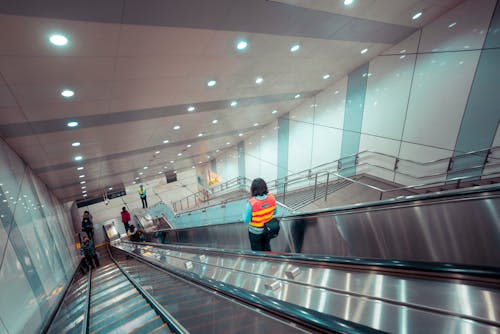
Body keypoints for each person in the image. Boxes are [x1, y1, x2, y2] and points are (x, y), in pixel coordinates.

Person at [243, 178, 276, 251]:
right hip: (267, 229)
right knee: (266, 246)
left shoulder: (251, 203)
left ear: (253, 189)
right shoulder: (272, 198)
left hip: (255, 232)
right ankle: (268, 260)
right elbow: (275, 212)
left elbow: (246, 220)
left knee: (257, 251)